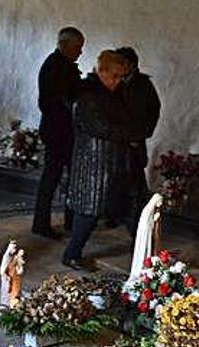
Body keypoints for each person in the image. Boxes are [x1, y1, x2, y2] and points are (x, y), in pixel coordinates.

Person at [62, 50, 140, 271]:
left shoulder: (114, 95)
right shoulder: (87, 96)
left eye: (121, 77)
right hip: (94, 165)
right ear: (102, 71)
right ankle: (72, 253)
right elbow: (101, 127)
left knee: (130, 207)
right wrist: (129, 134)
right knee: (89, 212)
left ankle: (148, 253)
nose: (117, 82)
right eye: (114, 76)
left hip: (115, 163)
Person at [32, 27, 84, 239]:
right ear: (64, 45)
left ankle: (71, 222)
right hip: (58, 132)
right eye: (77, 47)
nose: (80, 52)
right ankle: (41, 224)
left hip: (66, 132)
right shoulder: (54, 67)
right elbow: (57, 101)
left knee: (72, 178)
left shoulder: (65, 66)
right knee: (51, 179)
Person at [112, 46, 160, 230]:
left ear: (130, 65)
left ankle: (136, 223)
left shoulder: (142, 85)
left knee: (135, 184)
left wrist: (140, 134)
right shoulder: (117, 83)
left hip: (133, 142)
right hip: (117, 142)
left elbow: (152, 112)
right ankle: (115, 214)